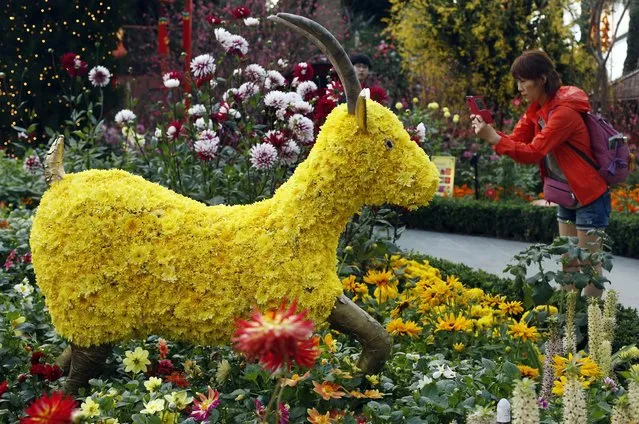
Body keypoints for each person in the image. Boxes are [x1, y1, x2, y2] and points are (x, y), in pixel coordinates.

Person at [470, 50, 611, 298]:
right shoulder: (537, 110)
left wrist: (493, 137)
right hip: (567, 195)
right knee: (569, 261)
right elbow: (516, 142)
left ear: (542, 79)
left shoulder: (563, 113)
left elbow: (534, 151)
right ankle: (568, 323)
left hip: (589, 196)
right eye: (518, 81)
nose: (519, 87)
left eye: (524, 80)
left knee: (590, 266)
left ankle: (592, 327)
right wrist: (491, 133)